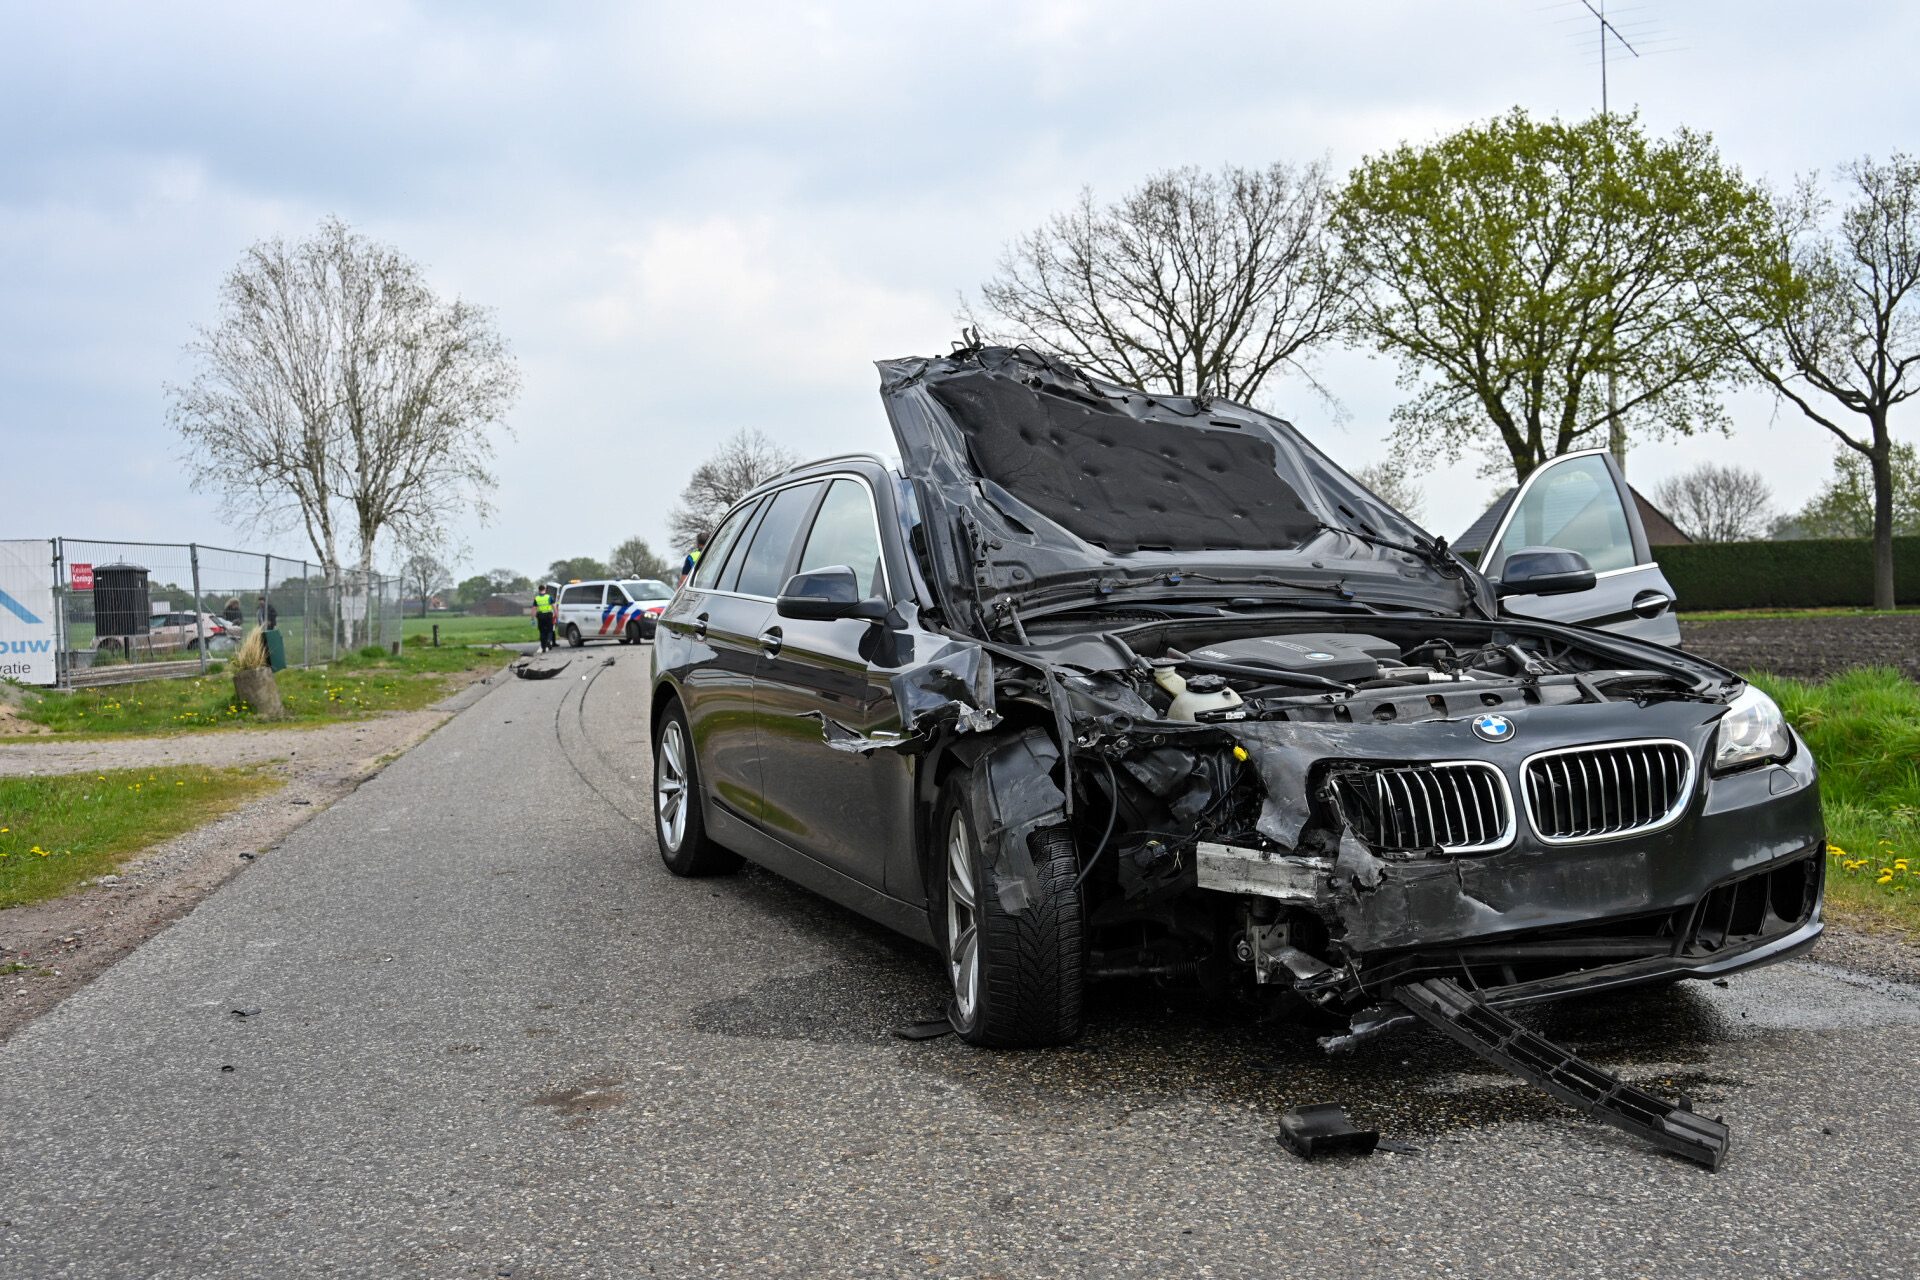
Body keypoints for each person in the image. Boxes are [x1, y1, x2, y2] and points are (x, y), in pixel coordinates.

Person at [533, 584, 557, 652]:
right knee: (550, 630)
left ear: (539, 590)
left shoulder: (536, 598)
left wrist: (532, 619)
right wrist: (557, 616)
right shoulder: (549, 597)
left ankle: (543, 647)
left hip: (540, 617)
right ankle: (549, 640)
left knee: (542, 632)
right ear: (545, 590)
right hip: (548, 616)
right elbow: (554, 607)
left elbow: (534, 609)